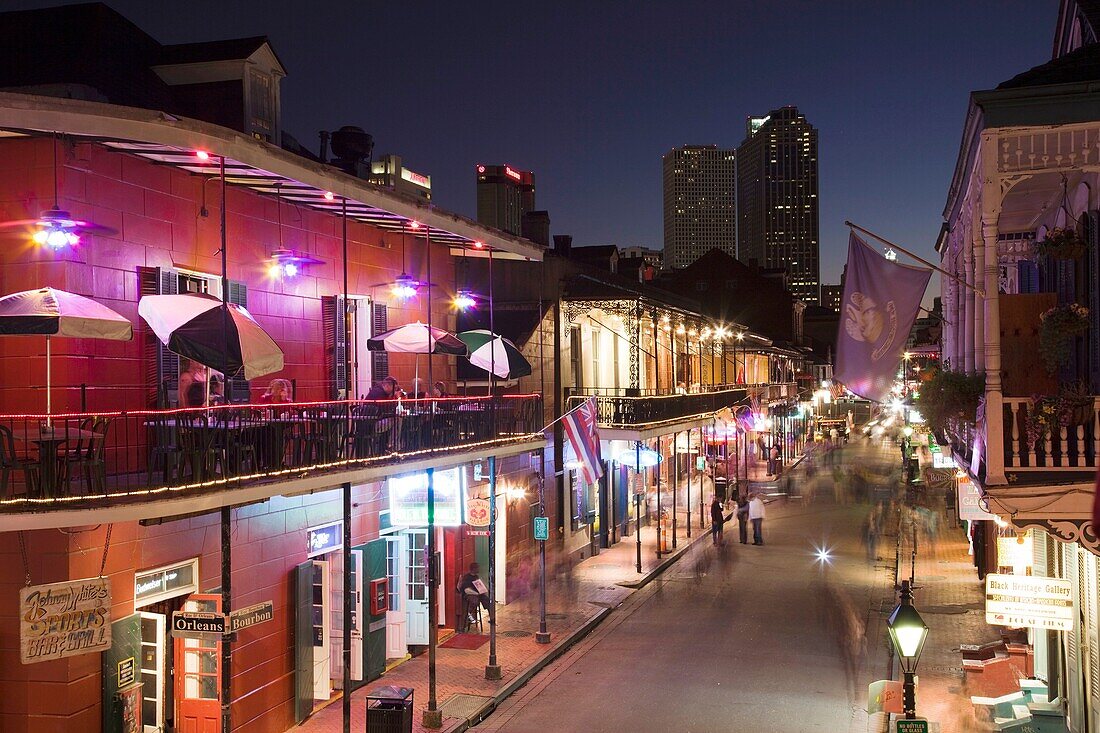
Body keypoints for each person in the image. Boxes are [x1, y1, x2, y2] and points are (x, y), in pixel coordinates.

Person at [457, 562, 490, 630]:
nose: (479, 569)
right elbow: (467, 590)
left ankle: (492, 618)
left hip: (476, 594)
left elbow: (479, 586)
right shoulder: (467, 578)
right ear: (474, 569)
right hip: (469, 594)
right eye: (477, 568)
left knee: (487, 600)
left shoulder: (476, 577)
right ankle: (469, 614)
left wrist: (483, 590)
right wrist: (477, 593)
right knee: (474, 601)